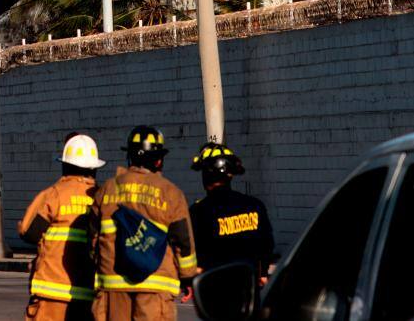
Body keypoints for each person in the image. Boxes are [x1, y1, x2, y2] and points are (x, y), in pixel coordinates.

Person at [91, 126, 197, 321]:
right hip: (156, 287)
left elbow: (92, 238)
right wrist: (188, 276)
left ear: (130, 157)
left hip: (113, 287)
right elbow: (183, 242)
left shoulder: (107, 189)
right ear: (159, 160)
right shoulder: (170, 193)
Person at [18, 133, 105, 320]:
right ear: (94, 168)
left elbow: (28, 232)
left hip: (51, 295)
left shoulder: (55, 194)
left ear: (65, 165)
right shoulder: (102, 198)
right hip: (88, 297)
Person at [189, 141, 274, 282]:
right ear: (231, 175)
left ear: (205, 176)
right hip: (250, 284)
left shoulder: (199, 211)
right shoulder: (254, 205)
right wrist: (263, 273)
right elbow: (266, 245)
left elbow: (193, 253)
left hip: (216, 285)